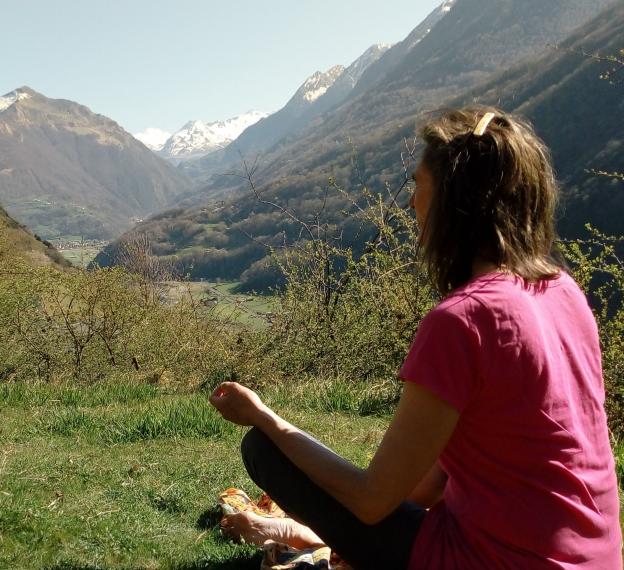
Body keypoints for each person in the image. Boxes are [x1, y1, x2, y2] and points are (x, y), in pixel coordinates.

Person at [209, 107, 623, 569]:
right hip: (599, 559)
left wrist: (265, 418)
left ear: (453, 200)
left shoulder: (463, 320)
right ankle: (303, 537)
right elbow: (430, 485)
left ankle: (301, 534)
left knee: (266, 450)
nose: (411, 203)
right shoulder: (563, 290)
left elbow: (372, 502)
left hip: (491, 560)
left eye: (417, 184)